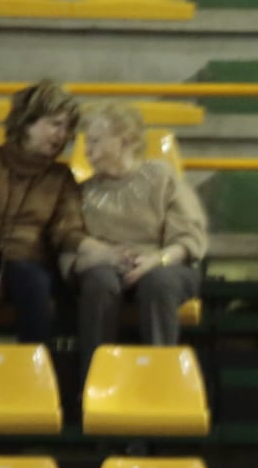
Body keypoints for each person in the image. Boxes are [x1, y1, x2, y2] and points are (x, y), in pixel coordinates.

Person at [0, 80, 121, 352]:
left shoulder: (61, 177)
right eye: (55, 124)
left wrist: (104, 251)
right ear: (27, 122)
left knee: (34, 284)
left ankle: (38, 377)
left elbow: (67, 230)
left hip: (28, 261)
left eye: (67, 128)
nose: (62, 135)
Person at [71, 101, 208, 377]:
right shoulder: (80, 192)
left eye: (95, 141)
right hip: (105, 264)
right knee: (99, 280)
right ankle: (95, 380)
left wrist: (155, 260)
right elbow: (70, 247)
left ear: (126, 142)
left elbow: (189, 237)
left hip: (163, 260)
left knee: (160, 282)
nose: (86, 151)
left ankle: (160, 378)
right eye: (87, 142)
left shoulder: (161, 176)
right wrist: (106, 257)